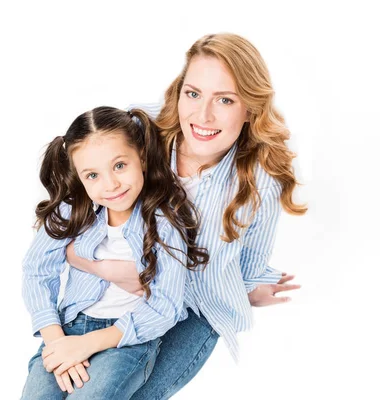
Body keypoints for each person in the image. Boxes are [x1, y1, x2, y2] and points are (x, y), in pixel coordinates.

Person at [66, 33, 306, 399]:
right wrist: (91, 263)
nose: (203, 115)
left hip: (193, 310)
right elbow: (80, 189)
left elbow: (248, 266)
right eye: (193, 94)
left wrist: (245, 288)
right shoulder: (138, 129)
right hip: (113, 298)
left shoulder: (259, 182)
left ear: (251, 109)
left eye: (225, 100)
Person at [20, 106, 208, 399]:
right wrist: (57, 340)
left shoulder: (164, 221)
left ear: (141, 157)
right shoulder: (73, 209)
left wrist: (91, 343)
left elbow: (165, 306)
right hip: (69, 329)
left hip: (126, 338)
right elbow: (37, 271)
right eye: (92, 175)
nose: (110, 185)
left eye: (119, 165)